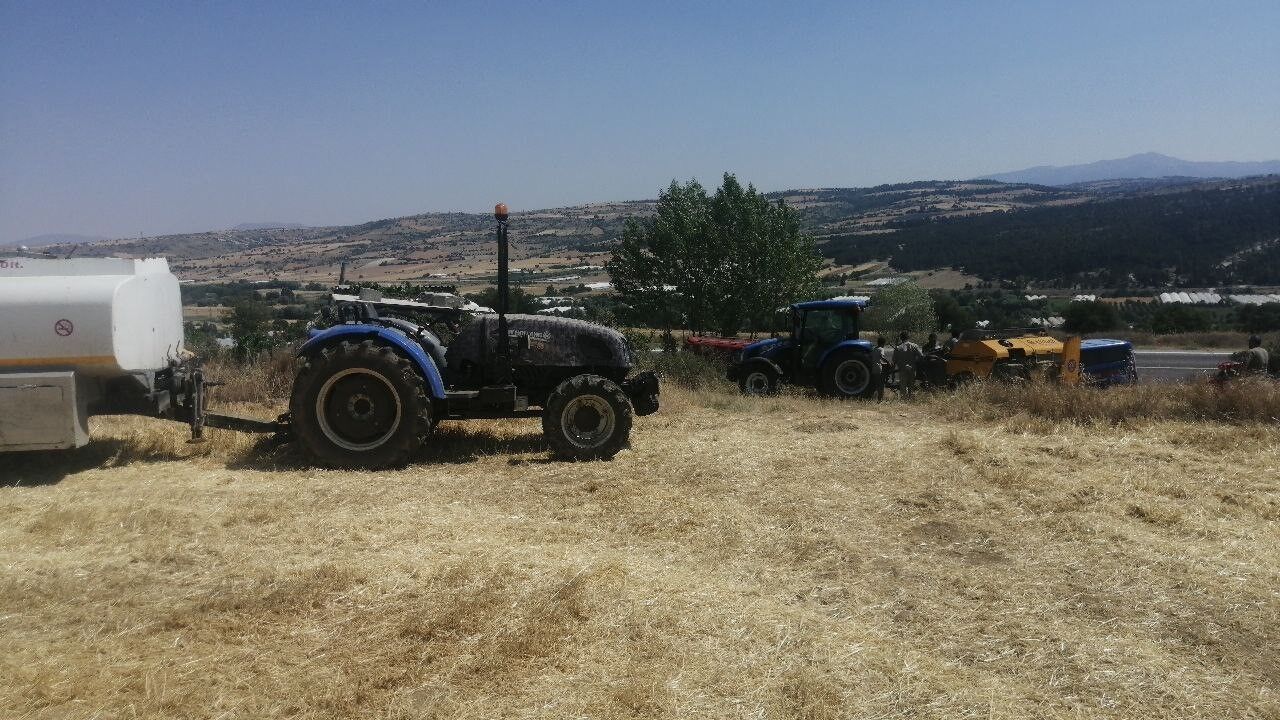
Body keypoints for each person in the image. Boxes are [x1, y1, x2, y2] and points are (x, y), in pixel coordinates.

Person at [894, 331, 923, 398]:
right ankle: (911, 400)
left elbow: (894, 361)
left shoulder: (898, 347)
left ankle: (904, 402)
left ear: (901, 338)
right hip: (912, 369)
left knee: (903, 388)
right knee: (911, 387)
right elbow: (921, 356)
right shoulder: (914, 346)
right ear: (908, 337)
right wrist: (915, 362)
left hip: (902, 370)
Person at [871, 336, 888, 401]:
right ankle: (880, 399)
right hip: (879, 369)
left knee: (876, 385)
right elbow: (882, 357)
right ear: (883, 343)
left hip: (873, 369)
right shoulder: (881, 349)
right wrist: (888, 362)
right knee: (881, 385)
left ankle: (875, 398)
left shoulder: (874, 349)